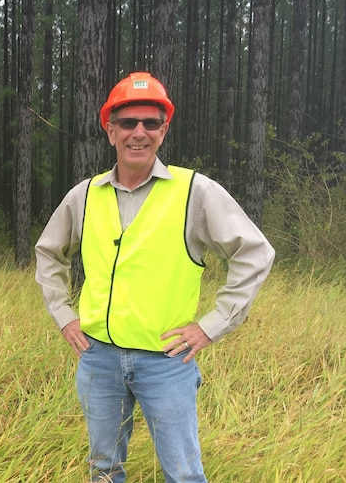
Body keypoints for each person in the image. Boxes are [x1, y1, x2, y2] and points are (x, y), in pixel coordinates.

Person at [34, 71, 275, 482]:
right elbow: (48, 253)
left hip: (166, 361)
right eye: (128, 123)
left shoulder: (195, 192)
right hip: (99, 359)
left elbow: (255, 253)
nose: (139, 133)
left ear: (164, 130)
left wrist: (209, 327)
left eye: (150, 123)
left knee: (182, 473)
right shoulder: (84, 195)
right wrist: (63, 314)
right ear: (110, 131)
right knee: (104, 468)